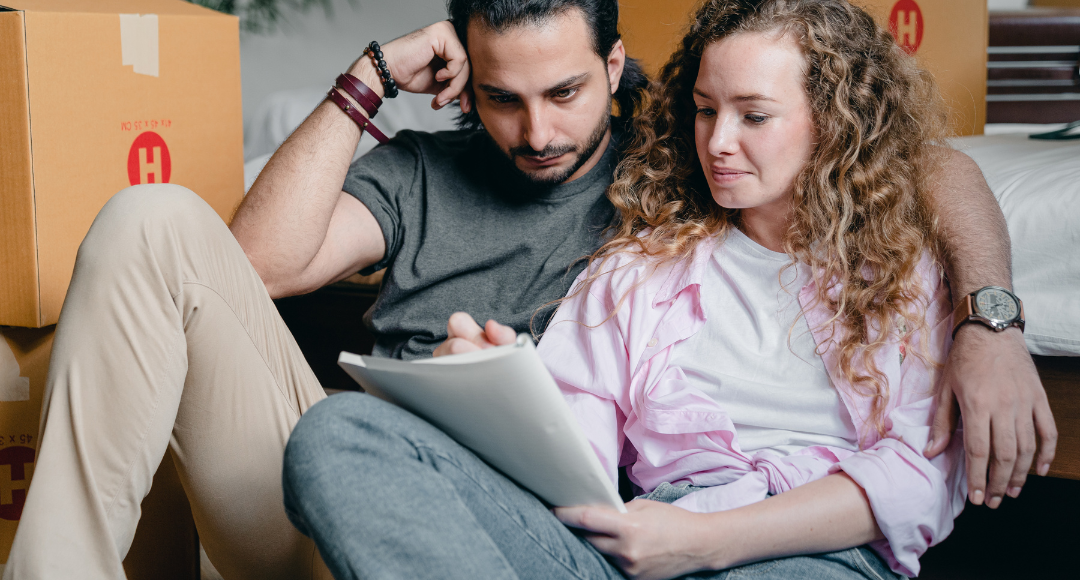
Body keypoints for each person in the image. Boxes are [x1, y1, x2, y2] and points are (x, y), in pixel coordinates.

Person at [4, 0, 1052, 578]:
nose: (539, 132)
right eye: (503, 99)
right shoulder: (446, 179)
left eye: (563, 92)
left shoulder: (680, 152)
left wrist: (990, 315)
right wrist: (373, 74)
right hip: (410, 503)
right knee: (158, 228)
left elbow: (927, 161)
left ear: (619, 68)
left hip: (578, 534)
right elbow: (258, 268)